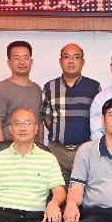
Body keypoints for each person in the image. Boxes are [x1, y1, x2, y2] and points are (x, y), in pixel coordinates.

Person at [41, 43, 102, 184]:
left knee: (81, 192)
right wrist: (59, 132)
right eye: (66, 57)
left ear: (83, 62)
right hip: (57, 152)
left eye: (76, 57)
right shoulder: (49, 87)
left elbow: (99, 119)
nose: (71, 61)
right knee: (58, 191)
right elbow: (46, 117)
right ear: (60, 61)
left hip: (84, 151)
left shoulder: (94, 87)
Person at [0, 40, 43, 143]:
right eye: (17, 58)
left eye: (25, 58)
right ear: (9, 63)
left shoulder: (37, 89)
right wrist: (1, 150)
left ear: (31, 61)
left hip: (34, 149)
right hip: (9, 148)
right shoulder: (1, 88)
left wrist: (41, 147)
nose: (22, 62)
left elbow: (39, 123)